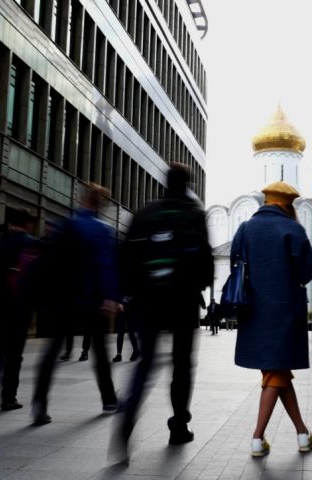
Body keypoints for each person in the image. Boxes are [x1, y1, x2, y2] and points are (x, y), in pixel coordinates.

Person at [119, 165, 213, 456]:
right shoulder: (194, 213)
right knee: (182, 364)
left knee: (145, 362)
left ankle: (127, 418)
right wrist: (199, 287)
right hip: (183, 301)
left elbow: (126, 256)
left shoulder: (145, 213)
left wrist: (132, 292)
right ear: (187, 184)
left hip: (148, 300)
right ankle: (178, 427)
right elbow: (205, 260)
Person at [232, 181, 312, 457]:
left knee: (276, 374)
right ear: (288, 204)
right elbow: (305, 273)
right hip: (283, 312)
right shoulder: (293, 229)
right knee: (276, 373)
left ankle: (303, 433)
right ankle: (257, 438)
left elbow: (235, 261)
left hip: (252, 311)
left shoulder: (245, 228)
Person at [32, 184, 121, 425]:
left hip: (62, 298)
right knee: (100, 351)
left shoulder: (65, 226)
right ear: (99, 204)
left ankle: (39, 404)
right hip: (91, 298)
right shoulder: (101, 230)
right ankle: (109, 400)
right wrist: (111, 297)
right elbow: (106, 265)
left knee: (52, 351)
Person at [0, 208, 41, 410]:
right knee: (15, 353)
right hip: (21, 307)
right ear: (27, 224)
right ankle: (8, 396)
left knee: (0, 346)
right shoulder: (33, 245)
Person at [112, 297, 139, 363]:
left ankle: (136, 351)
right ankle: (119, 355)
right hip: (121, 308)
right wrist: (119, 302)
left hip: (131, 307)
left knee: (130, 331)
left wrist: (125, 303)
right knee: (120, 332)